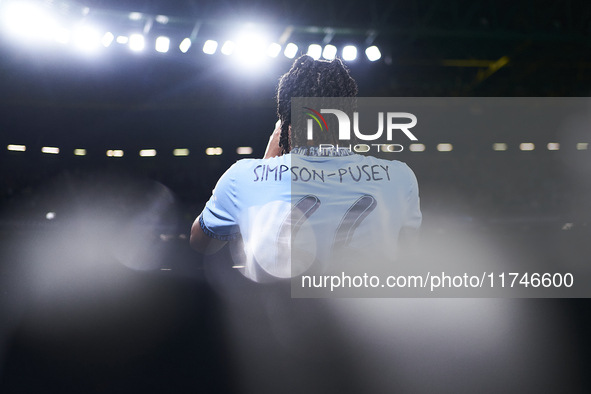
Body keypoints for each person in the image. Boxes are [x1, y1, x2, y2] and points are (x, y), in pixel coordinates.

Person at [191, 55, 421, 281]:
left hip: (274, 316)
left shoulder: (241, 177)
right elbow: (407, 251)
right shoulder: (400, 178)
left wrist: (267, 159)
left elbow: (201, 242)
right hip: (367, 316)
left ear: (285, 123)